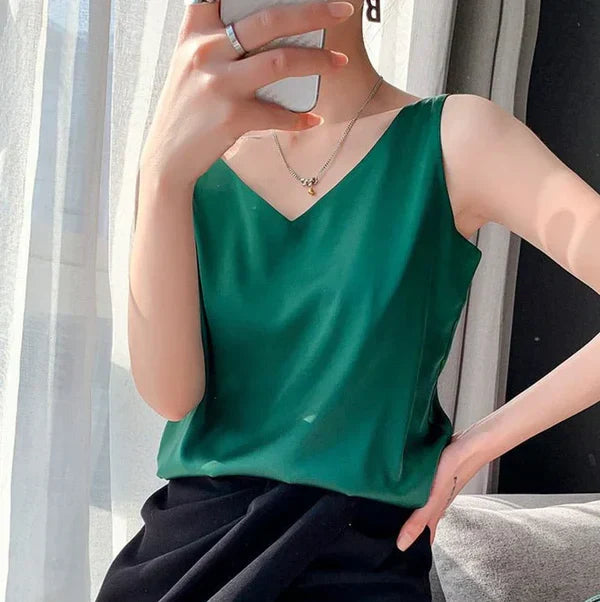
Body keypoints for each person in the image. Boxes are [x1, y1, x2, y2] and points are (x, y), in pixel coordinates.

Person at [96, 0, 600, 600]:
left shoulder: (456, 138)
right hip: (182, 557)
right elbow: (172, 395)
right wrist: (161, 174)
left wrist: (474, 448)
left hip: (355, 559)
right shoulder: (192, 159)